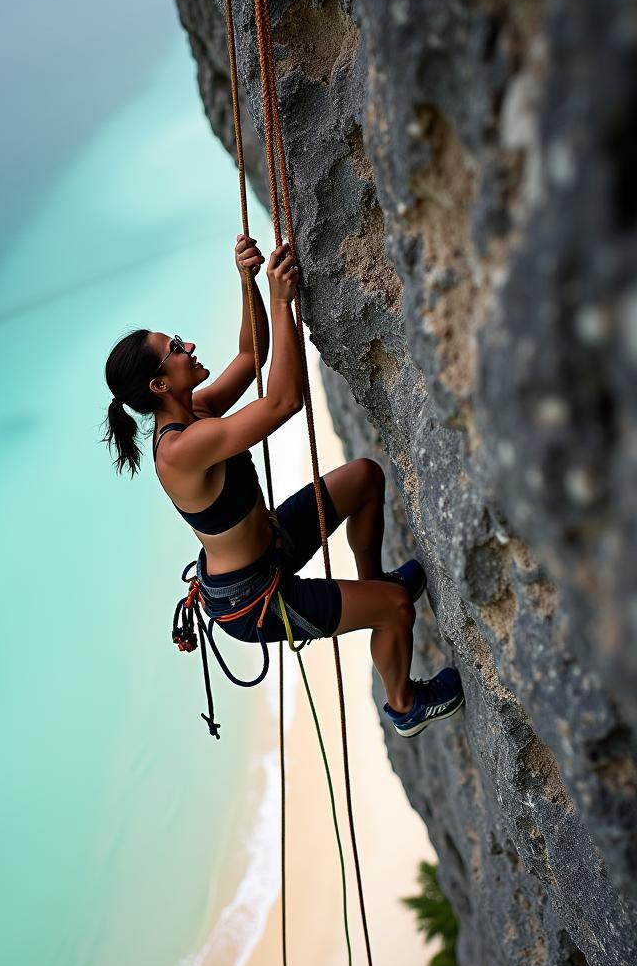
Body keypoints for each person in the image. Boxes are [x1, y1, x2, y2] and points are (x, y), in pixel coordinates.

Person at [102, 235, 463, 738]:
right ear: (159, 386)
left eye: (180, 339)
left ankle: (372, 583)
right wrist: (279, 299)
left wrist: (248, 282)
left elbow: (251, 356)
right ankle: (404, 705)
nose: (189, 347)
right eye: (176, 350)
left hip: (269, 547)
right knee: (398, 609)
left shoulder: (197, 410)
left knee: (364, 478)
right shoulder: (181, 449)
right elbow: (283, 402)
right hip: (256, 599)